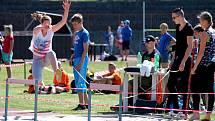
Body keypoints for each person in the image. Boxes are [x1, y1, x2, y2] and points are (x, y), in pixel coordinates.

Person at [29, 0, 70, 86]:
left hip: (47, 58)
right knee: (37, 82)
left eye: (49, 24)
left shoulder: (51, 30)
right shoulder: (37, 30)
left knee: (51, 52)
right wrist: (43, 27)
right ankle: (43, 87)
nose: (48, 25)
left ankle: (56, 72)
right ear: (42, 24)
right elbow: (35, 30)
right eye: (46, 23)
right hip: (37, 60)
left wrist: (66, 10)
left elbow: (63, 22)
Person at [166, 8, 193, 118]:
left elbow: (189, 47)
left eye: (174, 17)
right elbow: (178, 45)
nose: (173, 20)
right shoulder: (177, 27)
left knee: (184, 86)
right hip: (177, 59)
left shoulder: (189, 28)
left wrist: (183, 62)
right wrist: (172, 60)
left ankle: (185, 111)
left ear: (180, 16)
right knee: (170, 84)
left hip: (186, 59)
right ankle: (176, 109)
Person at [189, 11, 215, 121]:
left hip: (203, 64)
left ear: (205, 21)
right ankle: (208, 114)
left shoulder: (205, 33)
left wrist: (194, 67)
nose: (199, 22)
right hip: (211, 64)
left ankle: (196, 113)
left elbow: (201, 53)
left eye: (200, 20)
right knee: (209, 89)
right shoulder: (213, 32)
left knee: (194, 87)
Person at [70, 13, 90, 110]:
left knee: (80, 82)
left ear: (80, 22)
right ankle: (86, 104)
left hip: (82, 59)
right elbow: (77, 48)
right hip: (76, 58)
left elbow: (85, 50)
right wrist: (72, 57)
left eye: (75, 24)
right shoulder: (77, 33)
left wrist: (80, 63)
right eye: (73, 24)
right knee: (79, 82)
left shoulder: (85, 33)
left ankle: (81, 104)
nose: (74, 26)